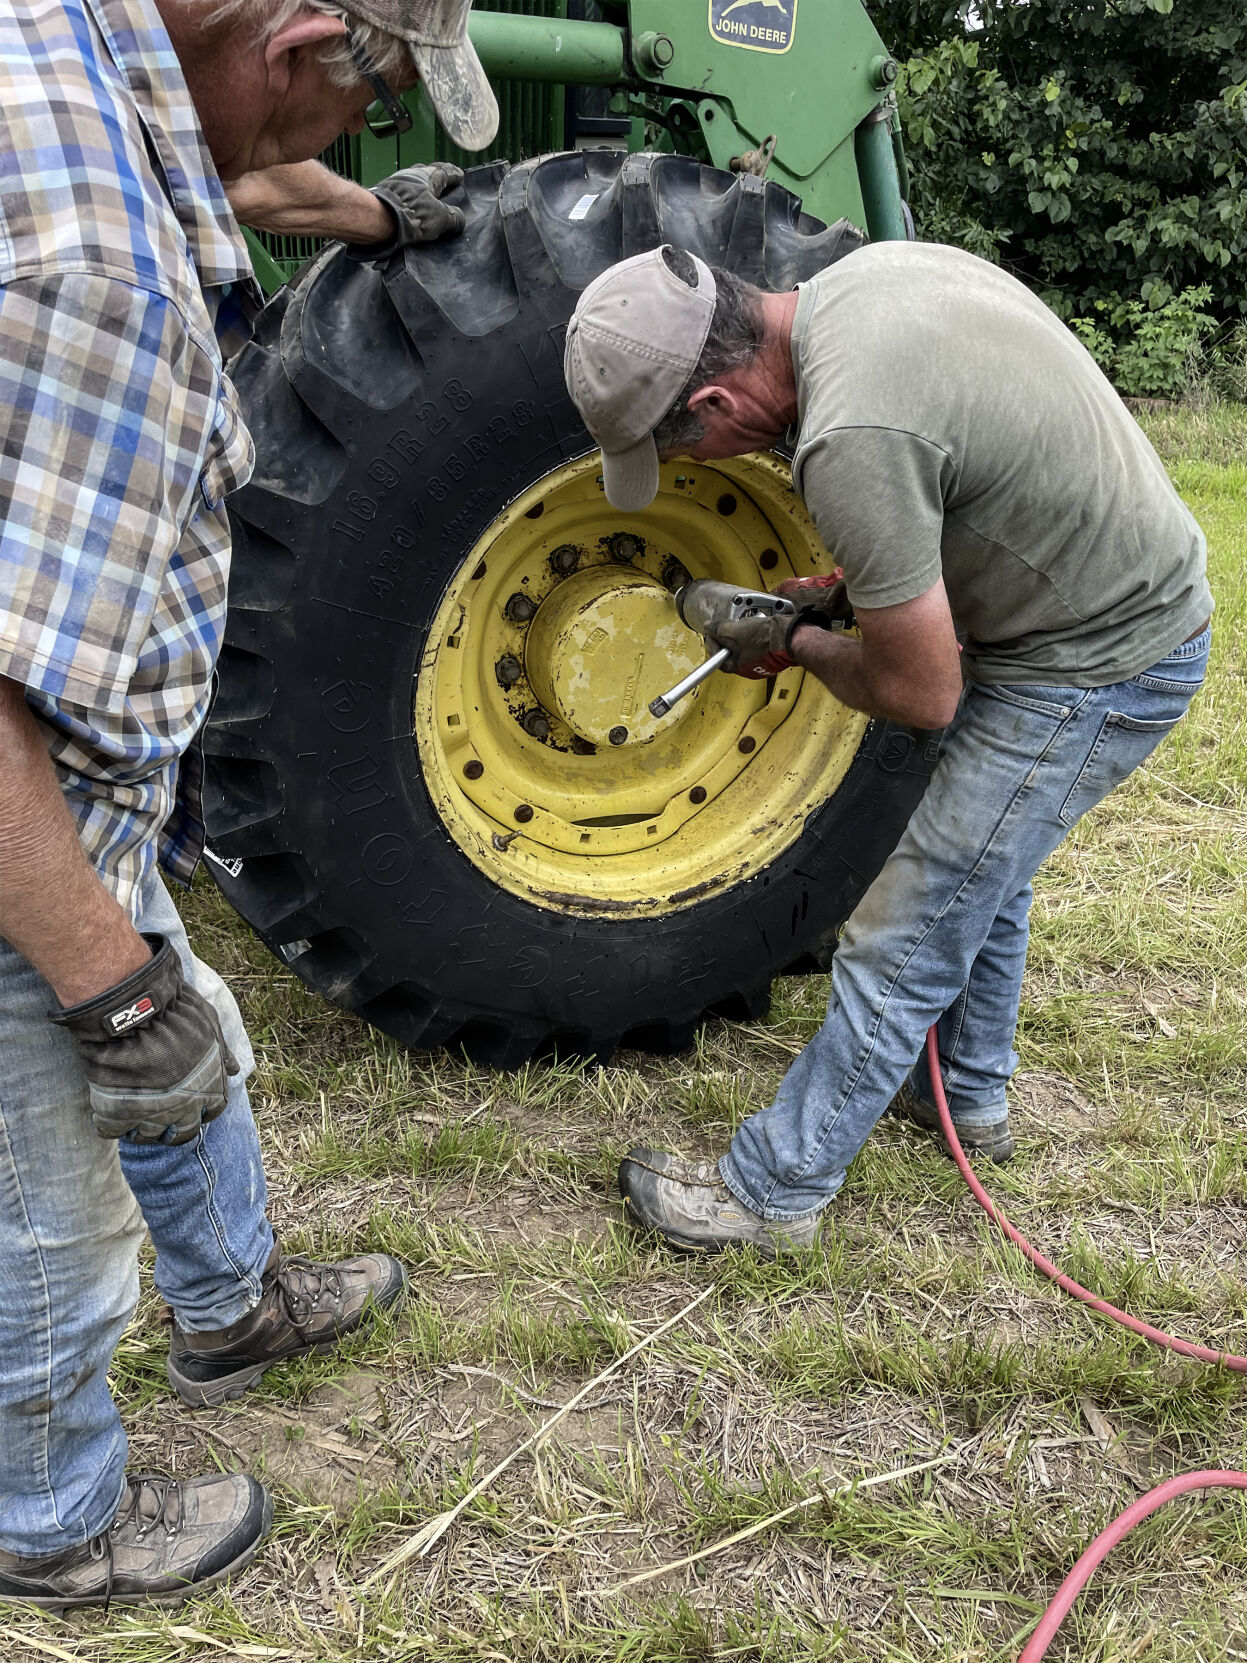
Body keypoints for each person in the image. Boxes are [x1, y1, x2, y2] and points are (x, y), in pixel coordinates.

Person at [0, 0, 496, 1611]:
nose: (361, 140)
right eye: (370, 104)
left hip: (88, 774)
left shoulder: (83, 44)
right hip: (25, 804)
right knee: (50, 1192)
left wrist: (369, 216)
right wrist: (99, 975)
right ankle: (52, 1516)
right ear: (299, 43)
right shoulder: (109, 288)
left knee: (196, 1026)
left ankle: (230, 1305)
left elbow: (246, 167)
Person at [562, 242, 1212, 1259]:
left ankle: (772, 1195)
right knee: (984, 864)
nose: (699, 469)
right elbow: (960, 485)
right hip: (1087, 604)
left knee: (906, 927)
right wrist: (831, 603)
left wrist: (791, 641)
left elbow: (919, 691)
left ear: (720, 405)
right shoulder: (860, 287)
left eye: (682, 452)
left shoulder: (847, 436)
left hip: (1097, 658)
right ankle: (962, 1097)